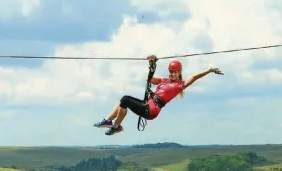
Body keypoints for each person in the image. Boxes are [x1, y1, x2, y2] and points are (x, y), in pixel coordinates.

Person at [93, 55, 224, 135]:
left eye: (175, 72)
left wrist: (209, 70)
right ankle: (111, 122)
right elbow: (149, 79)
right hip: (147, 105)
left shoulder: (179, 85)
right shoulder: (164, 80)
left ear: (179, 73)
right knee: (122, 102)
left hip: (152, 110)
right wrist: (152, 65)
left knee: (125, 100)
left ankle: (115, 125)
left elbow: (194, 77)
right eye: (171, 71)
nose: (172, 74)